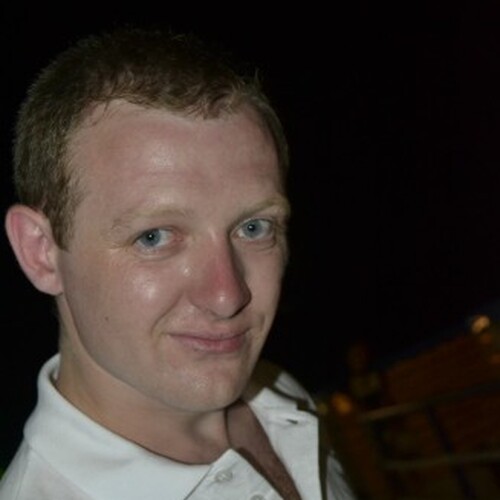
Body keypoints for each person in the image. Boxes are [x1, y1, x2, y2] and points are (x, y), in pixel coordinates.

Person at [0, 26, 355, 499]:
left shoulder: (282, 399)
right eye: (154, 237)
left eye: (254, 227)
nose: (226, 296)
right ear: (40, 252)